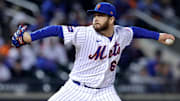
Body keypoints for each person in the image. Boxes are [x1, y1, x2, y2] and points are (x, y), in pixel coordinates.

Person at [11, 2, 175, 101]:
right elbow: (56, 29)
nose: (96, 18)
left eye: (101, 16)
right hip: (75, 88)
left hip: (105, 92)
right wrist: (29, 37)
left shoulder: (121, 34)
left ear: (111, 20)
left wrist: (158, 35)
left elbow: (135, 30)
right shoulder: (84, 33)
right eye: (95, 15)